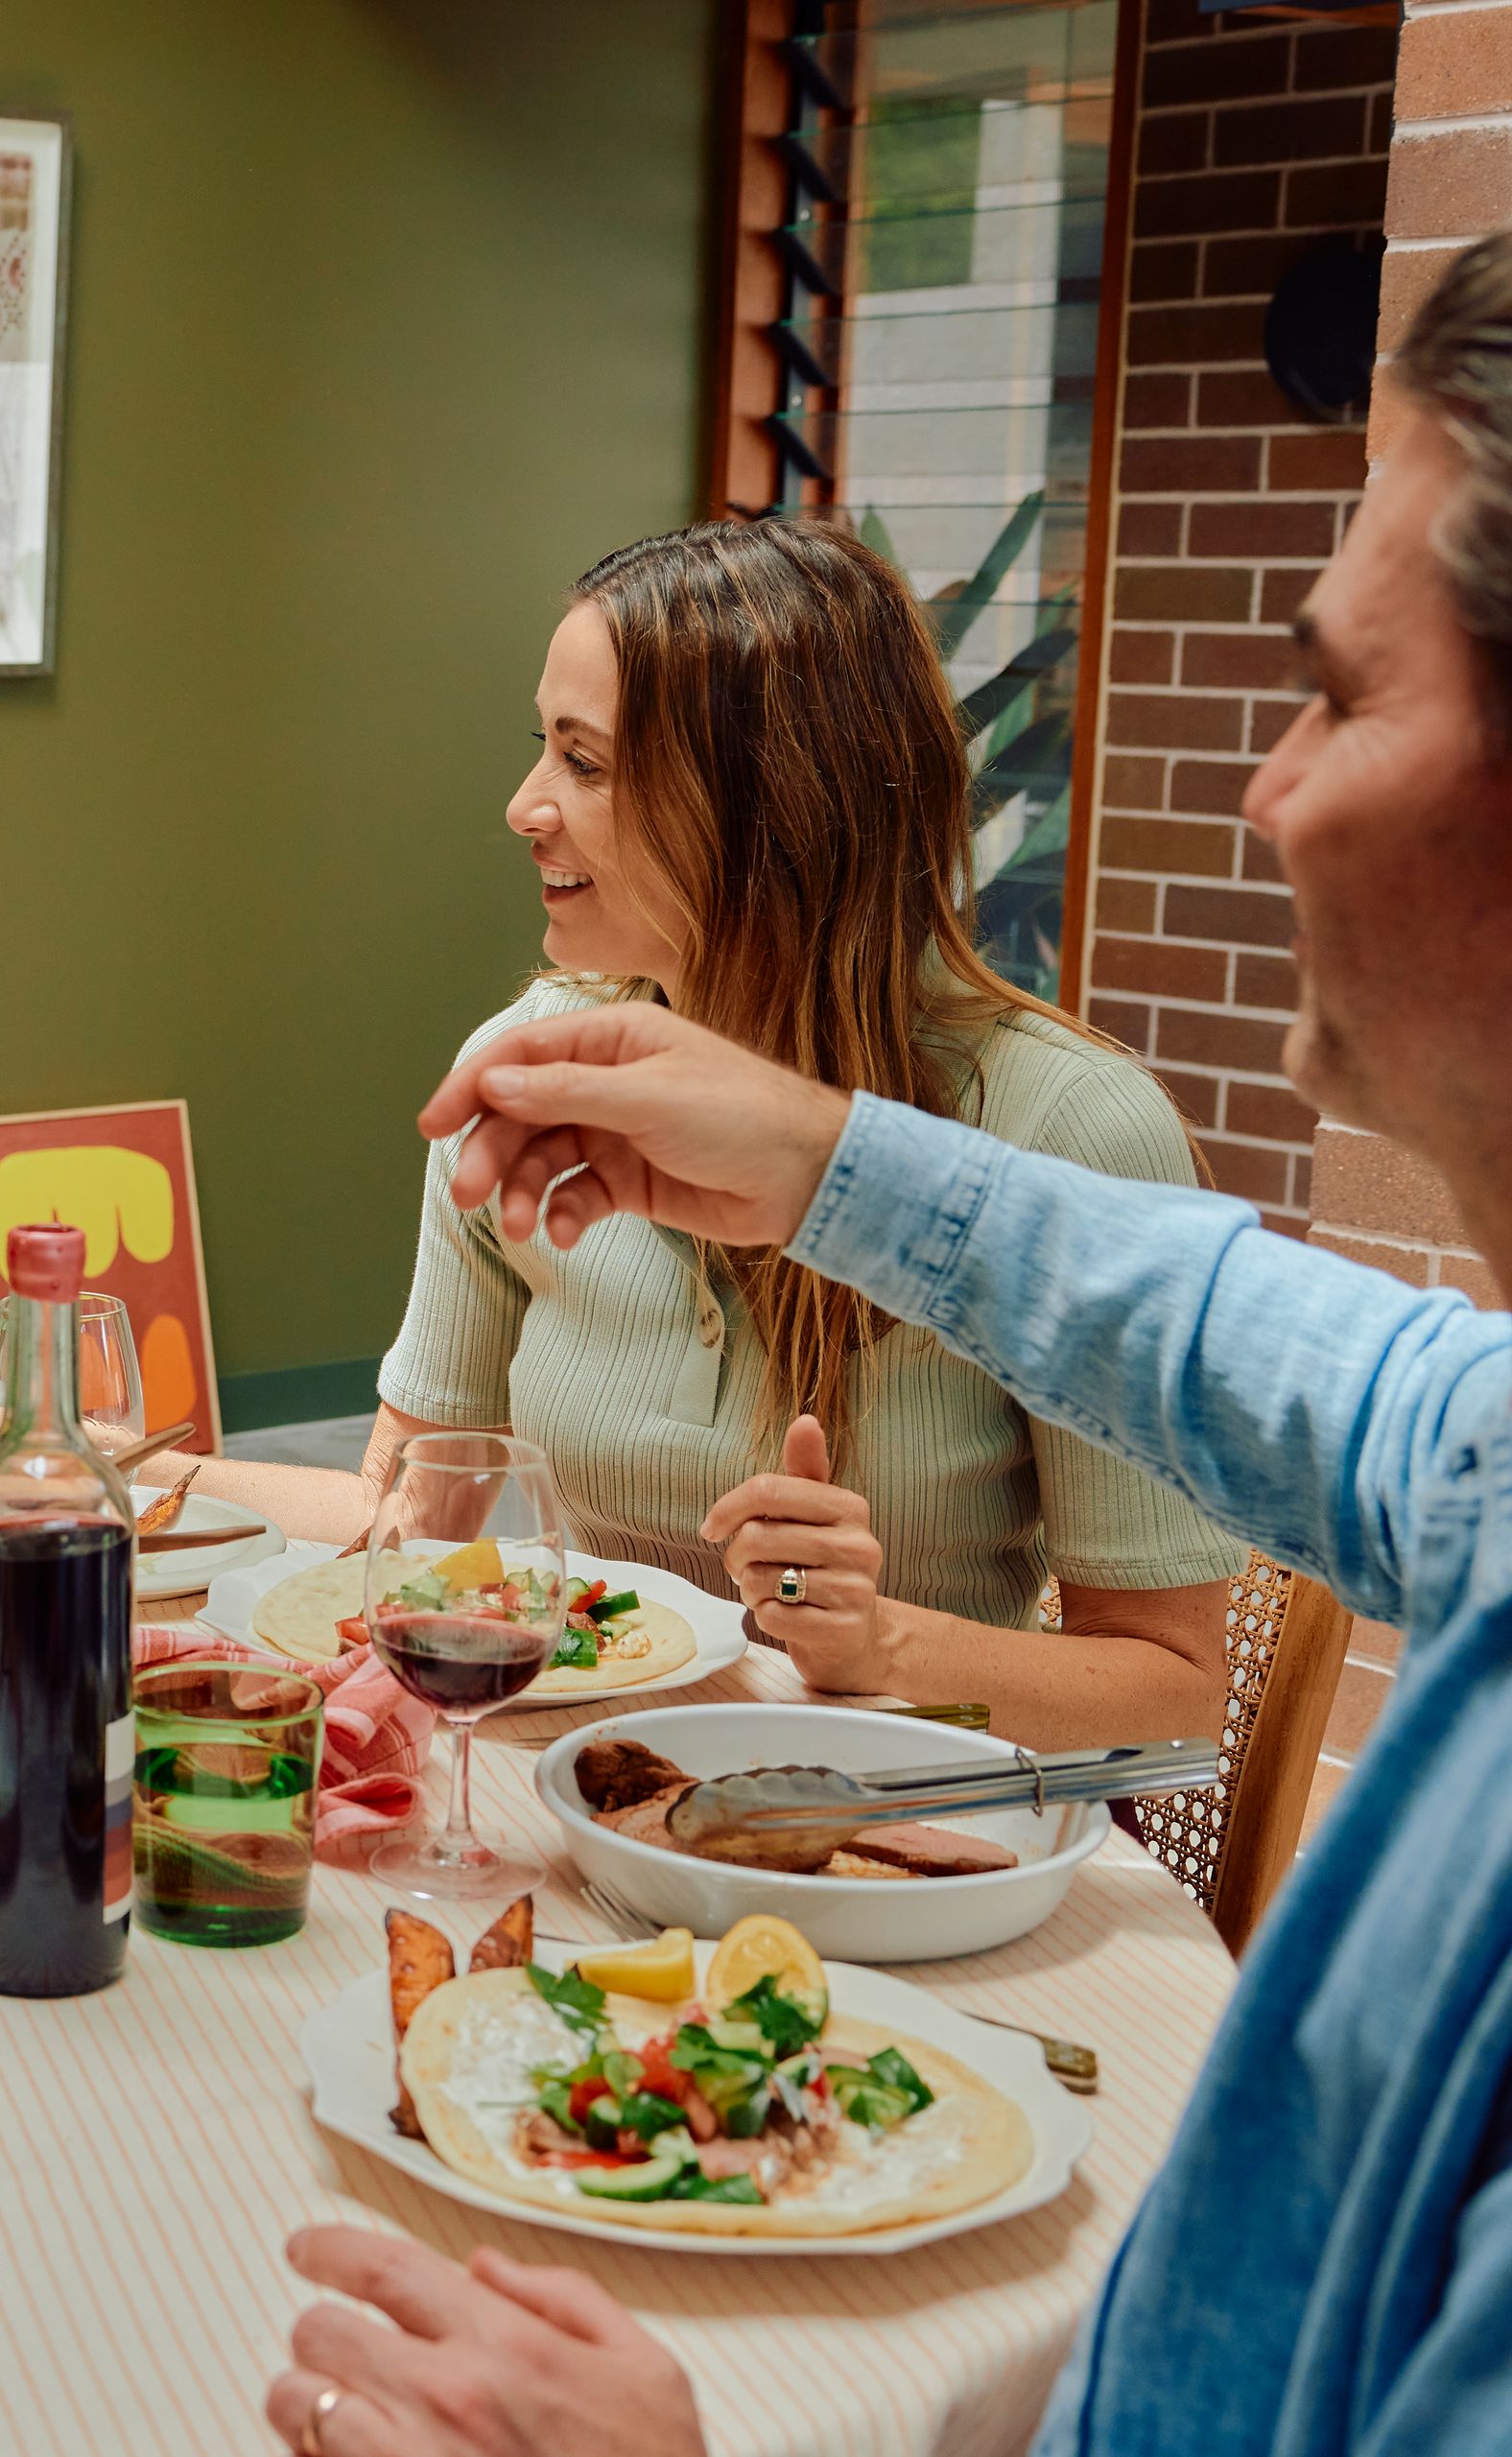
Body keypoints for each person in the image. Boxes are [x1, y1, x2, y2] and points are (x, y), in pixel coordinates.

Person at [264, 231, 1512, 2457]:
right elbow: (1337, 1378)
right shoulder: (1473, 1453)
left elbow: (1165, 1675)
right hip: (613, 1843)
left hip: (929, 1896)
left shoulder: (1070, 1108)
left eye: (1329, 689)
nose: (1263, 793)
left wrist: (886, 1649)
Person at [0, 520, 1244, 1746]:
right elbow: (409, 1524)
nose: (525, 809)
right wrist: (54, 1456)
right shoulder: (524, 1071)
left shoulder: (1073, 1133)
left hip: (910, 1840)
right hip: (585, 1795)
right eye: (543, 748)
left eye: (586, 761)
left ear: (773, 812)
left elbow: (1173, 1683)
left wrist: (879, 1645)